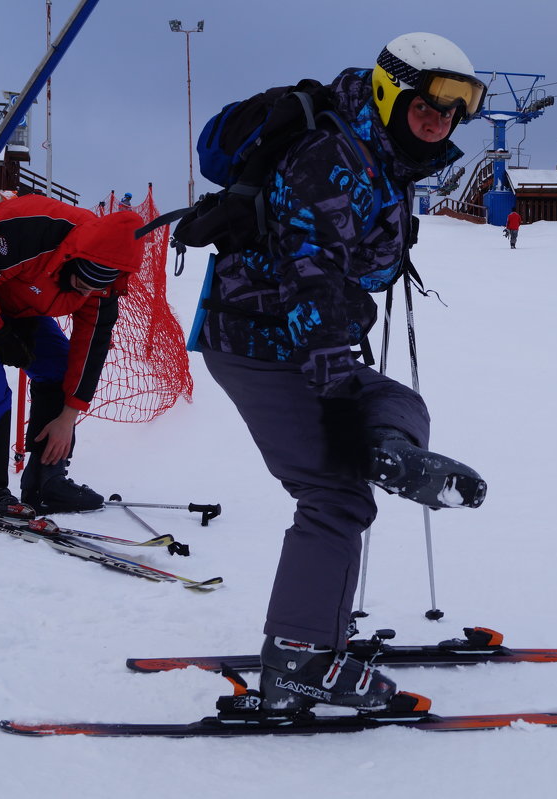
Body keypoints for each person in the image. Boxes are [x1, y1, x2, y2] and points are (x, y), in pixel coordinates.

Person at [194, 32, 488, 714]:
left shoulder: (379, 155)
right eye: (429, 105)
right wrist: (333, 392)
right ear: (390, 93)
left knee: (395, 402)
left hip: (288, 338)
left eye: (456, 109)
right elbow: (312, 279)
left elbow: (356, 266)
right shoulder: (332, 157)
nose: (441, 120)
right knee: (335, 497)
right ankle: (299, 663)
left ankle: (389, 453)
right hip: (259, 340)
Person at [0, 194, 145, 518]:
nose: (85, 295)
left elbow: (89, 352)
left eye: (92, 292)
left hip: (17, 293)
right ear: (72, 260)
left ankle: (46, 483)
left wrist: (68, 417)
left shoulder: (103, 289)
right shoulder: (31, 231)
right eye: (80, 285)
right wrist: (0, 335)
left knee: (59, 366)